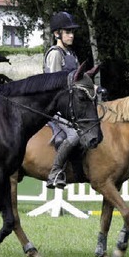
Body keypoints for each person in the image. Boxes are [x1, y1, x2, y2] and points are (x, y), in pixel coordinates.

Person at [43, 11, 81, 189]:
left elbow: (77, 80)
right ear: (57, 34)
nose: (71, 35)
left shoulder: (71, 54)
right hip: (55, 107)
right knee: (73, 135)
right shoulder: (55, 54)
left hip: (71, 105)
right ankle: (55, 171)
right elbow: (54, 85)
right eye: (67, 32)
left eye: (72, 32)